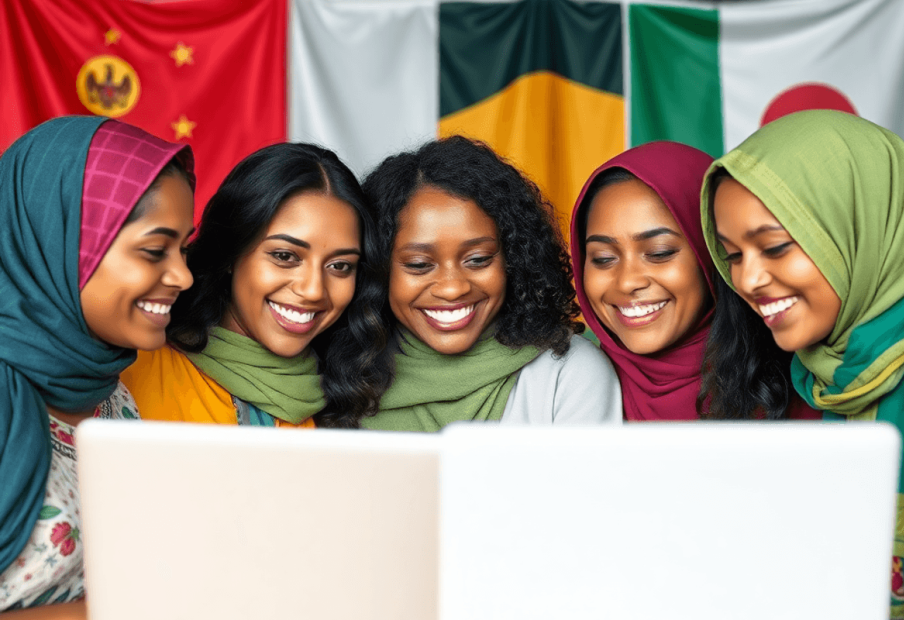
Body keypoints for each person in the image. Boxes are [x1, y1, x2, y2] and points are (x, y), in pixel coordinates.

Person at [701, 109, 904, 618]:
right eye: (733, 255)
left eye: (776, 246)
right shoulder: (825, 366)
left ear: (862, 222)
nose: (750, 280)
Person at [0, 116, 195, 616]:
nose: (183, 275)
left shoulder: (109, 393)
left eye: (183, 248)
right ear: (60, 242)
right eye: (155, 251)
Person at [359, 136, 622, 431]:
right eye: (420, 265)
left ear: (513, 259)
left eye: (478, 259)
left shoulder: (569, 374)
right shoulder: (345, 378)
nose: (452, 288)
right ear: (378, 269)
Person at [121, 143, 389, 429]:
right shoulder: (132, 368)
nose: (313, 291)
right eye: (285, 256)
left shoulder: (354, 397)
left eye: (339, 266)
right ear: (230, 253)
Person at [570, 141, 715, 420]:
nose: (627, 282)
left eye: (659, 253)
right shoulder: (565, 389)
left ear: (710, 252)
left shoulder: (801, 383)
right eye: (603, 258)